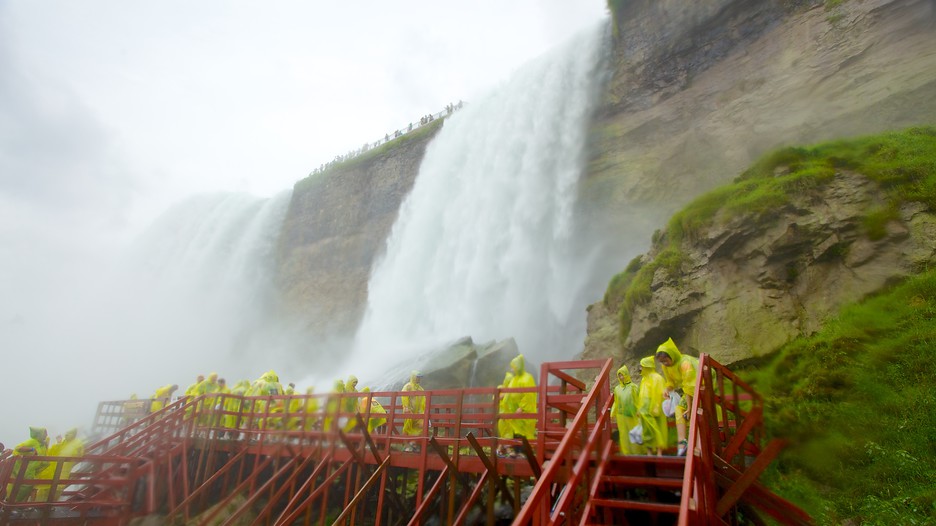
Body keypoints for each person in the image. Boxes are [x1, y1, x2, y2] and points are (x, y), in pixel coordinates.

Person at [655, 337, 699, 456]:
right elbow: (671, 382)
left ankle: (698, 447)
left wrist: (690, 407)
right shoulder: (666, 367)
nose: (664, 364)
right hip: (688, 390)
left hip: (700, 387)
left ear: (672, 355)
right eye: (662, 362)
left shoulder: (685, 363)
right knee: (679, 410)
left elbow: (690, 385)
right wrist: (667, 389)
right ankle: (682, 442)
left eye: (666, 360)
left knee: (697, 413)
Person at [35, 428, 84, 501]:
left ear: (74, 435)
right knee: (45, 486)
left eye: (69, 433)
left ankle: (50, 504)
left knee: (58, 487)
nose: (67, 434)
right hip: (52, 467)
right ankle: (38, 503)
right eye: (66, 433)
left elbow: (79, 455)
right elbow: (51, 451)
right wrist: (58, 443)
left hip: (64, 469)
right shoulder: (62, 441)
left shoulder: (77, 443)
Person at [7, 426, 49, 502]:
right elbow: (18, 448)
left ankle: (16, 505)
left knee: (27, 487)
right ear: (39, 434)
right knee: (24, 486)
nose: (46, 435)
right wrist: (32, 449)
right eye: (44, 433)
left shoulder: (42, 444)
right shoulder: (32, 441)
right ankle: (12, 503)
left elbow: (43, 457)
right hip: (24, 469)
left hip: (32, 470)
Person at [506, 355, 537, 458]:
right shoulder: (514, 379)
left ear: (518, 366)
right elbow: (509, 393)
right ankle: (516, 451)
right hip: (514, 411)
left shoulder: (527, 378)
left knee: (525, 432)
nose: (512, 369)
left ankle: (525, 453)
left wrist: (522, 407)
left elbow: (529, 395)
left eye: (513, 366)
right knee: (516, 430)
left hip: (524, 411)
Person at [638, 356, 668, 456]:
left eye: (642, 366)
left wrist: (656, 406)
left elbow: (661, 393)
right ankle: (649, 452)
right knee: (647, 431)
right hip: (644, 410)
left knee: (658, 429)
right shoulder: (644, 379)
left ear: (647, 366)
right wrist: (639, 408)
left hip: (655, 408)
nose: (640, 368)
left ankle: (659, 452)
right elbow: (641, 395)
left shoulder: (657, 378)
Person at [610, 365, 640, 455]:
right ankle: (626, 453)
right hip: (621, 415)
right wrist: (612, 413)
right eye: (619, 375)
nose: (621, 377)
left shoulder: (633, 387)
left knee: (634, 433)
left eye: (623, 375)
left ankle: (636, 453)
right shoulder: (617, 389)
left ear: (627, 374)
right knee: (623, 435)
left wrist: (639, 410)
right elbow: (616, 402)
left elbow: (638, 399)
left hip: (632, 414)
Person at [401, 371, 426, 452]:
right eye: (417, 377)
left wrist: (422, 411)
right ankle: (406, 445)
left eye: (420, 377)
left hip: (418, 412)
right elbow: (404, 396)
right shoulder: (408, 387)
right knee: (407, 427)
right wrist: (407, 407)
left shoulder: (420, 389)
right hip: (409, 411)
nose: (419, 379)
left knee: (421, 426)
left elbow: (423, 401)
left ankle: (413, 443)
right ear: (413, 377)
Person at [495, 372, 515, 457]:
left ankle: (499, 451)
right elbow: (496, 398)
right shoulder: (500, 388)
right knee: (505, 433)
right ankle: (509, 451)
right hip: (502, 415)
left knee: (508, 433)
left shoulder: (512, 391)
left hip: (510, 416)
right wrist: (507, 392)